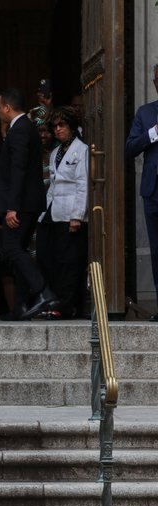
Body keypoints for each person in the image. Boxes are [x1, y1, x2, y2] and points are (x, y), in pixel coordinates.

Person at [0, 87, 56, 321]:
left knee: (12, 249)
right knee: (19, 252)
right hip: (28, 201)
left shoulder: (19, 130)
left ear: (7, 107)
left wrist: (12, 207)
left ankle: (43, 291)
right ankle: (21, 307)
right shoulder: (23, 128)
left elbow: (18, 170)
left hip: (21, 204)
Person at [37, 107, 89, 319]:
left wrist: (77, 215)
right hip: (54, 212)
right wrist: (44, 213)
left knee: (70, 262)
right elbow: (53, 185)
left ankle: (67, 306)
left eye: (62, 126)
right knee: (52, 258)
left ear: (72, 127)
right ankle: (56, 301)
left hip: (71, 214)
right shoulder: (56, 152)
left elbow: (83, 183)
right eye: (55, 126)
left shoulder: (82, 149)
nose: (58, 130)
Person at [126, 63, 158, 321]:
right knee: (157, 250)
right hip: (153, 191)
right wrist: (153, 133)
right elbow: (130, 147)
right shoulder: (145, 113)